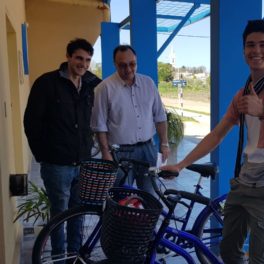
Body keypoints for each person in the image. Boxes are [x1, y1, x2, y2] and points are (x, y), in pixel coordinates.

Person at [161, 19, 264, 263]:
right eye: (250, 45)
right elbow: (216, 134)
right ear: (243, 51)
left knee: (260, 260)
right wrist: (180, 164)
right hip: (243, 183)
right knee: (229, 252)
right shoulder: (243, 93)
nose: (256, 51)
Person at [23, 38, 101, 257]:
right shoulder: (46, 83)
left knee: (79, 212)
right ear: (68, 57)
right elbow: (31, 122)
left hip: (83, 161)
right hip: (57, 164)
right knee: (59, 214)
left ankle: (74, 256)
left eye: (87, 60)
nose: (83, 64)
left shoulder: (91, 84)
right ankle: (59, 257)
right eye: (79, 58)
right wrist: (43, 155)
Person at [91, 45, 169, 195]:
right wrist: (106, 154)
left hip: (148, 151)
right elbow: (99, 126)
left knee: (150, 197)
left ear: (136, 62)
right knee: (122, 200)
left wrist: (164, 143)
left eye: (132, 64)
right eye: (122, 65)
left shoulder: (148, 84)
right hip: (120, 154)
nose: (128, 69)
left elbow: (160, 116)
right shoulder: (104, 88)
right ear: (115, 64)